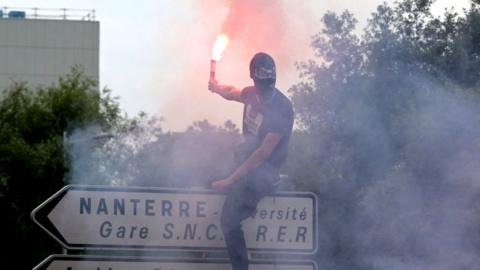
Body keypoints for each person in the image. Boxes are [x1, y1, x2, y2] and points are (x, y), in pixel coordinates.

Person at [208, 52, 294, 270]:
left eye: (268, 80)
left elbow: (262, 154)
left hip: (264, 173)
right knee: (206, 175)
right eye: (261, 81)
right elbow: (232, 92)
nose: (265, 89)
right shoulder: (252, 94)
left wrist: (230, 180)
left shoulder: (282, 108)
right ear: (254, 80)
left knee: (229, 220)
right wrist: (216, 88)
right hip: (244, 164)